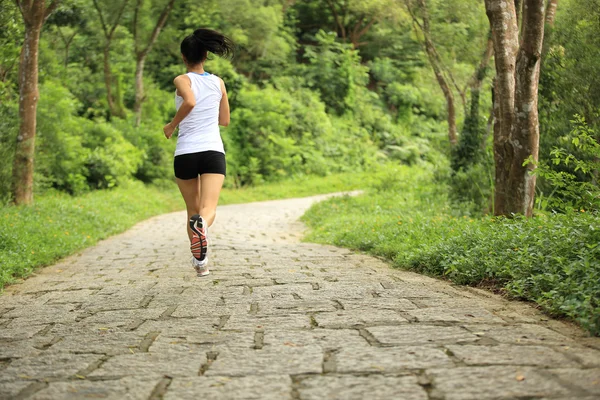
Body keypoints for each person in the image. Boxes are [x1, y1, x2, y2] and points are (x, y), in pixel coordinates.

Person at [163, 28, 234, 277]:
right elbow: (224, 120)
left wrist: (172, 125)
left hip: (186, 153)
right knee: (208, 209)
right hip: (213, 150)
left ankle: (200, 264)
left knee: (192, 210)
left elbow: (190, 101)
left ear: (184, 57)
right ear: (206, 55)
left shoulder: (182, 79)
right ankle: (202, 228)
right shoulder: (219, 83)